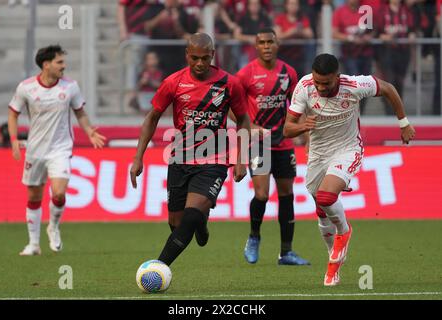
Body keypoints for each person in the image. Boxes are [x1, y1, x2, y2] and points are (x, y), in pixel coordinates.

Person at [283, 53, 416, 286]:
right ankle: (332, 260)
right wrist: (303, 126)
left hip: (348, 149)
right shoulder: (304, 87)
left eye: (326, 82)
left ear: (337, 76)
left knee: (326, 196)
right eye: (318, 82)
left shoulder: (355, 85)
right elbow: (287, 129)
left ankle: (343, 231)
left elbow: (388, 88)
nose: (321, 87)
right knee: (321, 209)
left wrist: (403, 123)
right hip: (317, 154)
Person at [130, 33, 251, 266]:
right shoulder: (173, 82)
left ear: (213, 56)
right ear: (187, 55)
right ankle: (201, 224)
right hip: (180, 158)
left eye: (205, 58)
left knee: (191, 215)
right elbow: (151, 118)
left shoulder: (229, 83)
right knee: (176, 223)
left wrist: (241, 158)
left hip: (214, 159)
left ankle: (158, 267)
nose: (199, 63)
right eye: (194, 58)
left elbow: (243, 120)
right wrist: (138, 158)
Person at [8, 45, 106, 256]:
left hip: (60, 149)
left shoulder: (70, 87)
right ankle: (33, 244)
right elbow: (13, 113)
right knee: (34, 196)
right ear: (46, 64)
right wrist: (14, 139)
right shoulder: (26, 88)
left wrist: (89, 131)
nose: (64, 66)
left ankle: (53, 226)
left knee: (59, 193)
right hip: (35, 150)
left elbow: (80, 112)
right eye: (59, 62)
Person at [234, 28, 310, 266]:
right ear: (256, 47)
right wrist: (249, 125)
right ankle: (254, 236)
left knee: (287, 194)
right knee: (262, 194)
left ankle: (286, 252)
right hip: (259, 143)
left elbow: (299, 104)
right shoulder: (245, 75)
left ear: (278, 44)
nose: (266, 46)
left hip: (284, 142)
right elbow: (231, 105)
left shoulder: (289, 72)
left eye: (270, 42)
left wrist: (303, 133)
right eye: (262, 42)